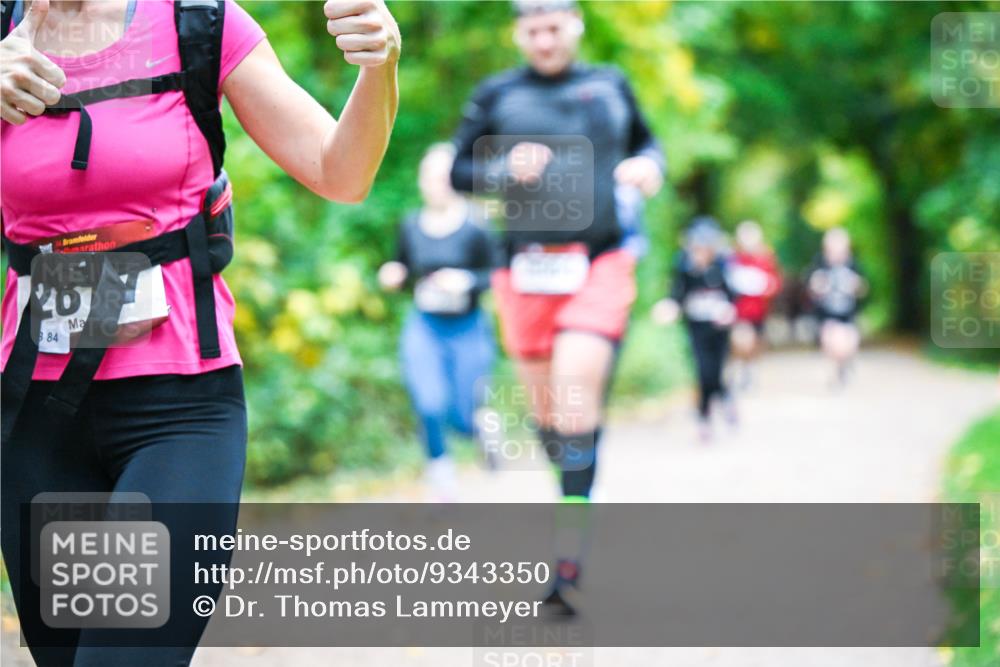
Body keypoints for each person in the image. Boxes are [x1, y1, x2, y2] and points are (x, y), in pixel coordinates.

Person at [0, 1, 400, 665]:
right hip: (37, 417)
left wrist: (380, 66)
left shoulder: (199, 23)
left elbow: (341, 171)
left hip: (177, 412)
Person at [449, 0, 664, 615]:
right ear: (519, 33)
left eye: (554, 28)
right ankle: (575, 489)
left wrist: (648, 167)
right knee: (552, 419)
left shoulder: (610, 84)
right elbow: (459, 170)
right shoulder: (497, 94)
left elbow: (650, 146)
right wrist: (500, 167)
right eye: (533, 30)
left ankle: (567, 557)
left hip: (598, 261)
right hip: (523, 268)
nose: (544, 41)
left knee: (575, 392)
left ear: (576, 26)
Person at [379, 144, 500, 502]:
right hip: (425, 326)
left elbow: (497, 275)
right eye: (431, 176)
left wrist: (466, 281)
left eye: (446, 175)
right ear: (422, 181)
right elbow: (400, 267)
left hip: (468, 326)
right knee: (429, 402)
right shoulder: (411, 225)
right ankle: (441, 475)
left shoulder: (478, 225)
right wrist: (394, 274)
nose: (438, 183)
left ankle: (483, 428)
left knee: (464, 414)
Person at [653, 218, 737, 442]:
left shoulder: (723, 266)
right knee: (703, 372)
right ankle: (704, 418)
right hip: (696, 329)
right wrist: (669, 307)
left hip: (718, 331)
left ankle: (725, 398)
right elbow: (676, 295)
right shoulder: (684, 268)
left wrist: (728, 310)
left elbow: (733, 295)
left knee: (716, 373)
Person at [807, 227, 868, 387]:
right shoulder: (819, 263)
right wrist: (818, 286)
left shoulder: (853, 264)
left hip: (848, 315)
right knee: (831, 343)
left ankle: (843, 366)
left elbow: (864, 288)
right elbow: (810, 287)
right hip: (827, 314)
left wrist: (856, 286)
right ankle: (835, 373)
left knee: (848, 346)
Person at [726, 220, 782, 390]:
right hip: (739, 312)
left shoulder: (765, 258)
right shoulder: (732, 260)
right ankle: (741, 368)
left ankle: (749, 370)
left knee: (754, 344)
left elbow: (775, 283)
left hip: (759, 311)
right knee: (741, 340)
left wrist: (767, 287)